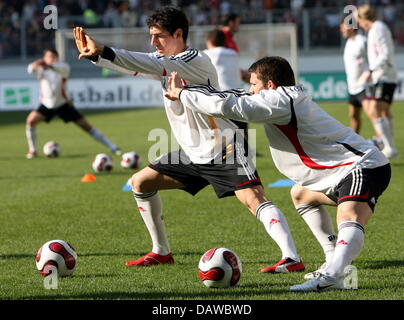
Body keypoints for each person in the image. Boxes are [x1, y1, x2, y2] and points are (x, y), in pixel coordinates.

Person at [73, 6, 305, 273]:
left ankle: (291, 258)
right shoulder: (164, 63)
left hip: (223, 147)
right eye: (151, 36)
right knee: (140, 182)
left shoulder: (195, 60)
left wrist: (105, 50)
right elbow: (138, 67)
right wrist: (97, 57)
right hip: (192, 153)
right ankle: (161, 252)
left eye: (159, 36)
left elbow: (153, 64)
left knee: (253, 199)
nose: (153, 42)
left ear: (179, 34)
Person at [164, 56, 390, 292]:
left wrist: (183, 95)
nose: (250, 90)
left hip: (363, 165)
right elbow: (235, 97)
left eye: (254, 84)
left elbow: (232, 106)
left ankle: (335, 276)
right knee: (301, 194)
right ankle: (333, 260)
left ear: (270, 85)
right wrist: (191, 90)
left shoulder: (282, 100)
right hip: (342, 170)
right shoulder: (284, 97)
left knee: (350, 215)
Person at [26, 48, 121, 159]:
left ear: (57, 57)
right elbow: (30, 70)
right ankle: (32, 150)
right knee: (31, 121)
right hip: (46, 104)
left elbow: (61, 70)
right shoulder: (41, 69)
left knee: (86, 126)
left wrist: (48, 66)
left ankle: (113, 147)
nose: (50, 59)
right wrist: (35, 64)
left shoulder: (63, 67)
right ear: (44, 58)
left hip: (63, 104)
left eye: (52, 56)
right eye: (48, 56)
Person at [357, 5, 399, 159]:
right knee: (383, 111)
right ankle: (389, 146)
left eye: (358, 21)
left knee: (376, 108)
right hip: (382, 75)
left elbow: (385, 53)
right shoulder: (375, 29)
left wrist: (372, 70)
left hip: (384, 75)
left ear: (362, 18)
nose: (359, 24)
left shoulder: (378, 28)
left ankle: (388, 146)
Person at [340, 18, 367, 134]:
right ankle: (356, 141)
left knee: (374, 115)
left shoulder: (362, 41)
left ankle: (385, 142)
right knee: (353, 115)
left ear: (351, 27)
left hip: (365, 86)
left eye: (343, 26)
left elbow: (371, 60)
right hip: (353, 87)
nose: (341, 29)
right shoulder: (349, 42)